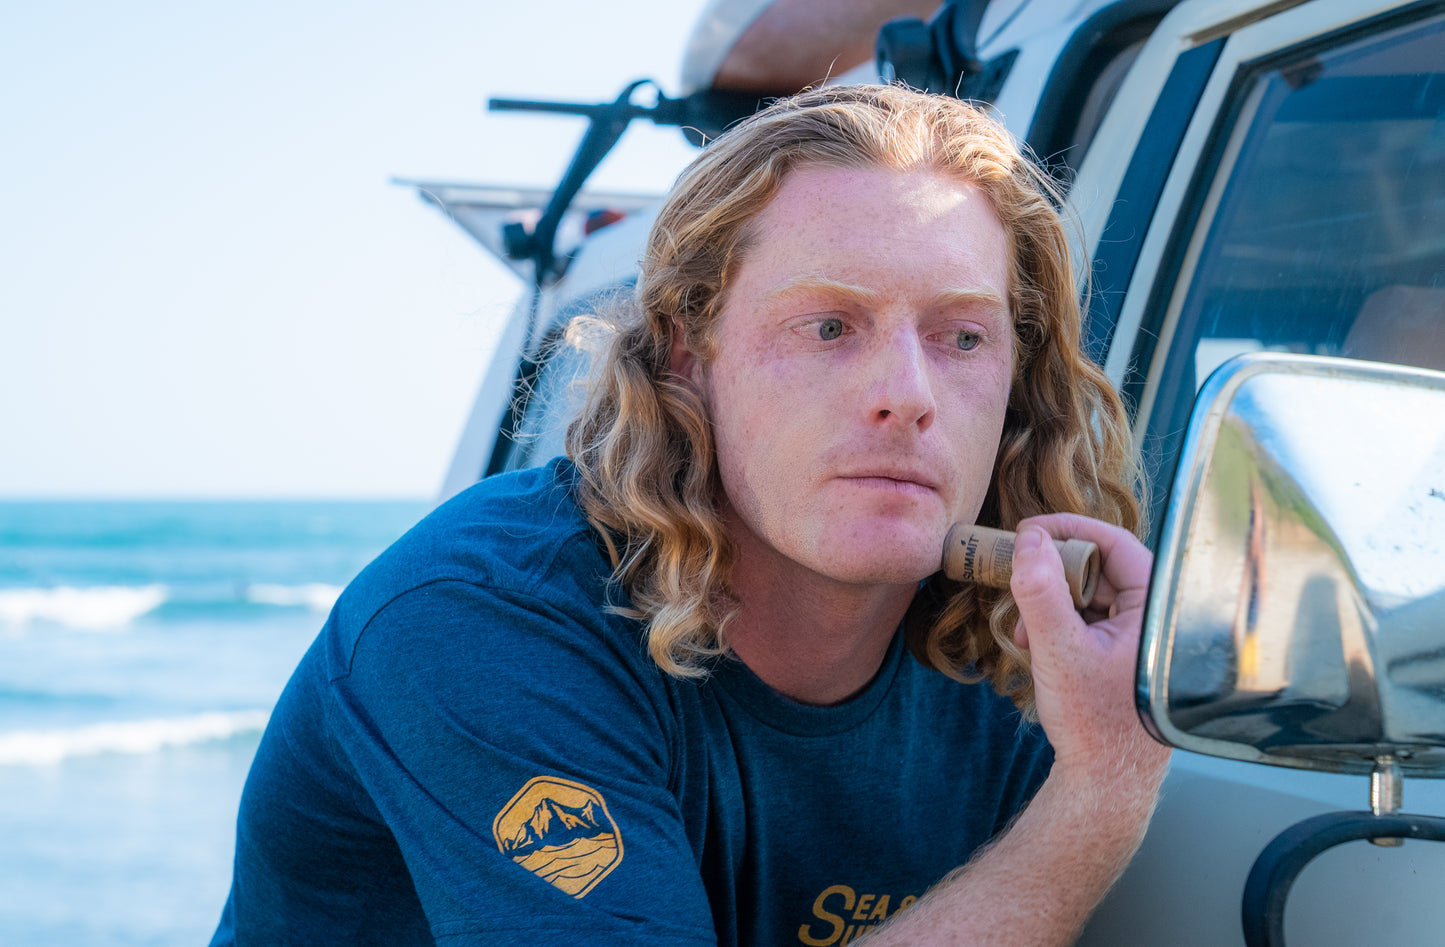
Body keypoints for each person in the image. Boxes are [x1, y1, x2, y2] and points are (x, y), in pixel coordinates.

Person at [211, 84, 1169, 946]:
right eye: (829, 326)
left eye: (961, 336)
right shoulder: (478, 619)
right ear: (683, 357)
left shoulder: (1035, 653)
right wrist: (1097, 796)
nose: (907, 393)